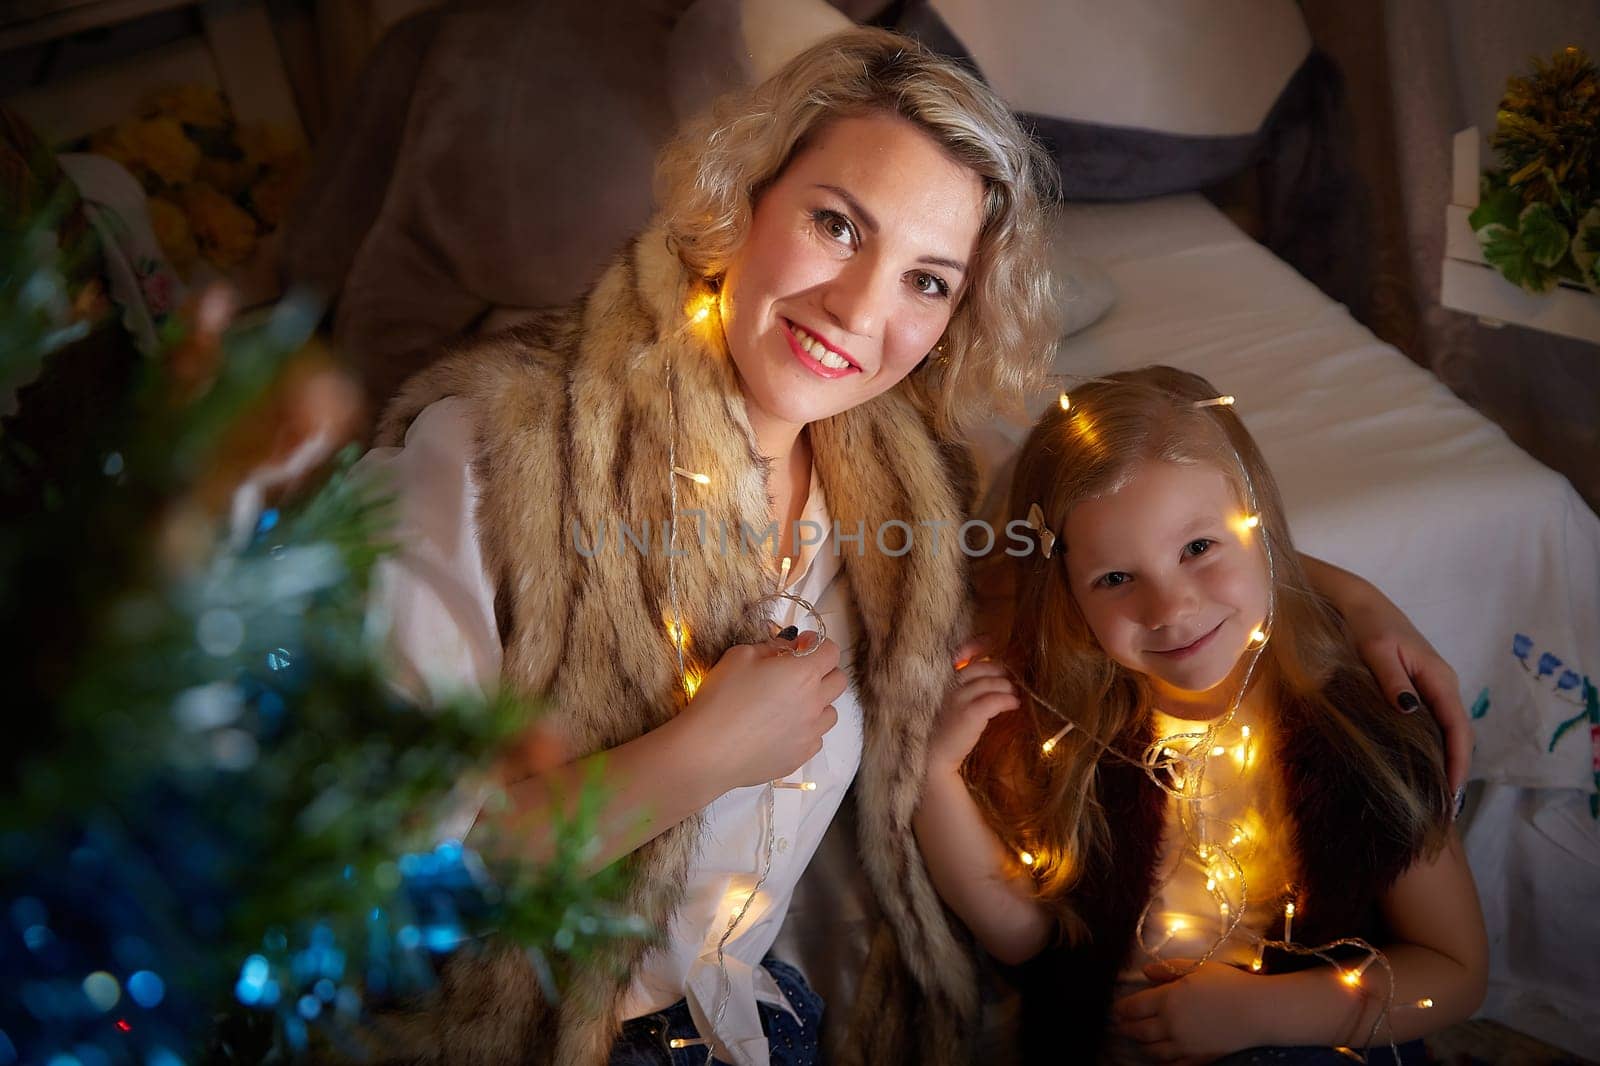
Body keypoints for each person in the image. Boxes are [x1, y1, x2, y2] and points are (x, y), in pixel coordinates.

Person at [358, 28, 1474, 1066]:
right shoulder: (495, 457)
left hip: (758, 1021)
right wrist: (697, 754)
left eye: (926, 281)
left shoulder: (905, 493)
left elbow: (1094, 549)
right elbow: (377, 879)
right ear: (741, 201)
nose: (856, 308)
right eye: (836, 224)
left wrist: (1341, 593)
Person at [914, 366, 1487, 1065]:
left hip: (1309, 1042)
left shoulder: (1355, 731)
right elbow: (1024, 939)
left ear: (1260, 530)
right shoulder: (1059, 727)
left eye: (1198, 549)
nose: (1171, 608)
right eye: (1116, 579)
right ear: (1067, 594)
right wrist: (934, 776)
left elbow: (1456, 972)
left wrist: (1261, 1014)